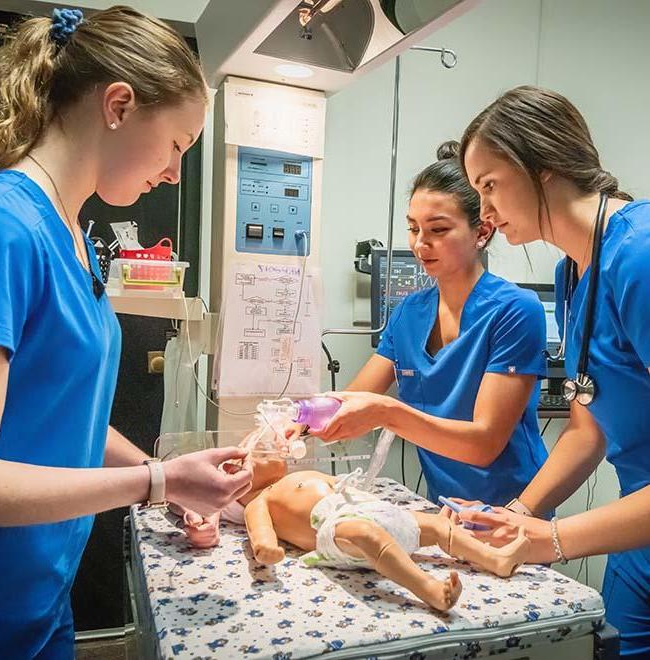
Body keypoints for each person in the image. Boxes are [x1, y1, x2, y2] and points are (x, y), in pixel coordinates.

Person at [0, 7, 253, 658]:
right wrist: (156, 484)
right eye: (178, 146)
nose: (173, 173)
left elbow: (63, 415)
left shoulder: (75, 236)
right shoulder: (6, 230)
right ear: (118, 105)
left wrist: (165, 472)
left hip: (42, 597)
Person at [459, 85, 650, 659]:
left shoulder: (638, 257)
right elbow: (587, 427)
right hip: (636, 533)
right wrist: (516, 515)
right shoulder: (573, 273)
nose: (484, 214)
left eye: (489, 186)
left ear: (541, 166)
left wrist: (555, 540)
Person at [302, 141, 549, 508]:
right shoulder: (409, 314)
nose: (420, 244)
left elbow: (483, 444)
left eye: (437, 230)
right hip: (443, 504)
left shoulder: (515, 311)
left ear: (482, 231)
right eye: (413, 228)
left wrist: (387, 412)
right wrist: (297, 418)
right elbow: (351, 398)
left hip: (513, 507)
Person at [242, 469, 530, 611]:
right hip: (334, 526)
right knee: (366, 535)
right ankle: (428, 587)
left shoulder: (299, 472)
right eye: (248, 456)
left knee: (440, 526)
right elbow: (260, 530)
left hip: (372, 509)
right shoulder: (261, 498)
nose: (260, 449)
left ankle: (496, 559)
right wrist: (266, 547)